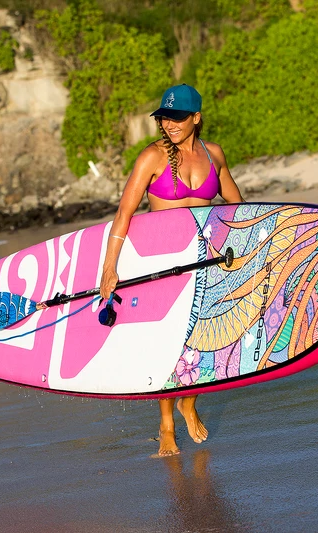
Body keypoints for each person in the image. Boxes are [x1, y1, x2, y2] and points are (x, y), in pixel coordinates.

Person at [99, 84, 245, 456]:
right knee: (168, 344)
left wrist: (250, 245)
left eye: (178, 117)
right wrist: (109, 268)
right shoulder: (153, 157)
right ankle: (166, 425)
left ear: (196, 117)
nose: (170, 124)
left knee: (203, 338)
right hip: (162, 264)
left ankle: (188, 403)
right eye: (165, 118)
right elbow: (124, 213)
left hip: (204, 259)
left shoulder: (213, 154)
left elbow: (237, 205)